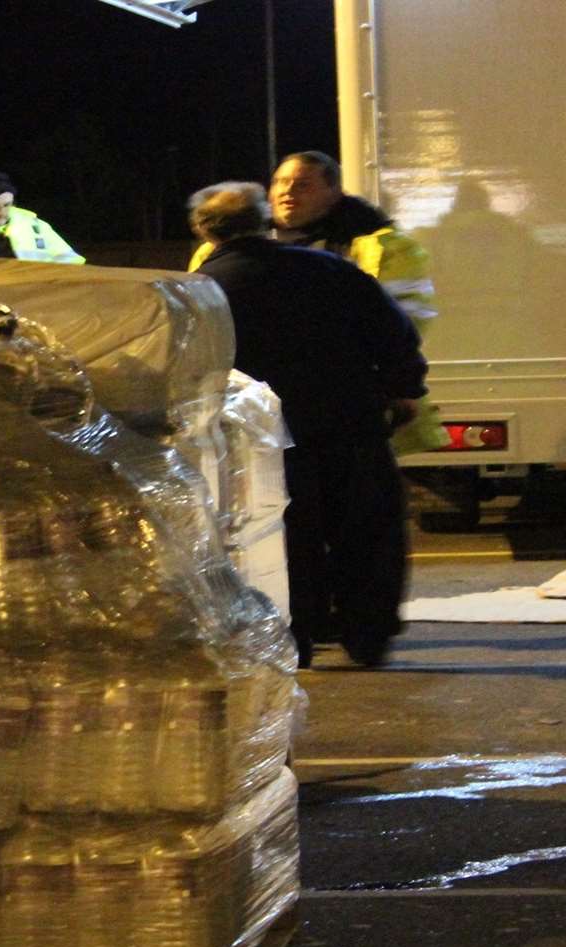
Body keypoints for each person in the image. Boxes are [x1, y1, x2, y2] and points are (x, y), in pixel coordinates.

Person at [187, 182, 428, 669]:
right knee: (365, 526)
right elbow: (394, 332)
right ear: (267, 221)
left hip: (259, 439)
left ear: (203, 231)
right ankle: (368, 634)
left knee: (279, 536)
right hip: (349, 419)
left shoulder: (201, 292)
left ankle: (296, 637)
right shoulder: (331, 270)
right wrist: (405, 389)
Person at [190, 151, 436, 336]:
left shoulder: (385, 247)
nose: (287, 191)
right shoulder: (218, 249)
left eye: (303, 185)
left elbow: (406, 322)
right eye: (279, 182)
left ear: (334, 192)